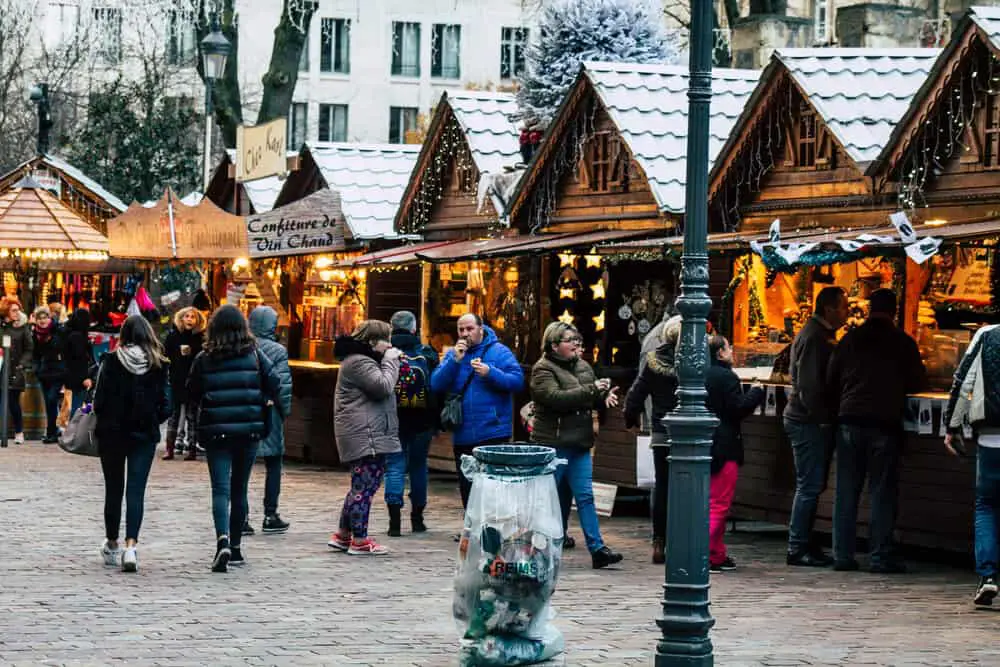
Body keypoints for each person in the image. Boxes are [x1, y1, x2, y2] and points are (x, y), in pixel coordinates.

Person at [827, 288, 926, 573]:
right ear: (895, 311)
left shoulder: (849, 340)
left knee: (846, 491)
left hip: (848, 420)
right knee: (882, 492)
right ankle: (880, 556)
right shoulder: (902, 343)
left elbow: (831, 380)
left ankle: (842, 555)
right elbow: (917, 381)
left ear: (869, 309)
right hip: (884, 422)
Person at [187, 305, 280, 572]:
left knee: (220, 489)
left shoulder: (205, 357)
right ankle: (237, 548)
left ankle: (222, 540)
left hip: (217, 432)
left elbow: (191, 393)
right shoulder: (256, 355)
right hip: (249, 430)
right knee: (239, 488)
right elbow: (275, 383)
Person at [530, 321, 623, 569]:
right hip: (554, 443)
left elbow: (589, 396)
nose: (575, 345)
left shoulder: (583, 366)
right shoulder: (543, 369)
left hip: (579, 443)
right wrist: (592, 390)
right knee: (551, 498)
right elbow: (555, 399)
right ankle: (545, 545)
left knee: (585, 496)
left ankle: (597, 548)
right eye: (569, 340)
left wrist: (604, 396)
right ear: (554, 344)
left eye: (577, 341)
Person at [93, 316, 171, 573]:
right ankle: (131, 546)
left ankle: (112, 541)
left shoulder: (111, 361)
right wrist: (150, 419)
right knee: (136, 491)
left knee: (113, 489)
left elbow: (99, 401)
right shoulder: (159, 365)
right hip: (143, 435)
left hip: (112, 433)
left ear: (124, 335)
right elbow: (166, 405)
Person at [430, 313, 524, 511]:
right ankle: (471, 529)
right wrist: (454, 361)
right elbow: (436, 384)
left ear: (481, 329)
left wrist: (491, 373)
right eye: (461, 329)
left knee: (492, 484)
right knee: (467, 484)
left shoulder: (499, 352)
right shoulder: (453, 354)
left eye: (469, 329)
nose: (465, 334)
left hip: (492, 430)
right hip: (463, 430)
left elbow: (517, 382)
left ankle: (491, 528)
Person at [783, 286, 848, 567]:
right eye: (844, 306)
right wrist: (821, 418)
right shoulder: (815, 338)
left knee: (812, 484)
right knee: (809, 485)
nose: (847, 311)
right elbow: (809, 385)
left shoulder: (816, 335)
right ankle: (797, 547)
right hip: (808, 421)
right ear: (830, 309)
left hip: (807, 419)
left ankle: (804, 543)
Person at [327, 320, 401, 556]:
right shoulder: (359, 362)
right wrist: (391, 361)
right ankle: (360, 540)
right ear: (372, 341)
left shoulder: (359, 360)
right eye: (386, 340)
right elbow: (383, 386)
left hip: (366, 432)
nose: (390, 345)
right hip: (365, 434)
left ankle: (343, 535)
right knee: (364, 488)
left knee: (360, 486)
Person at [943, 323, 1000, 606]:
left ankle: (988, 576)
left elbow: (963, 380)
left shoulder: (987, 334)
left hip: (991, 435)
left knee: (987, 505)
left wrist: (951, 426)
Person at [704, 335, 765, 572]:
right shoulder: (726, 376)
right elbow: (737, 408)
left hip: (709, 443)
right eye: (728, 347)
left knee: (712, 501)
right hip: (725, 444)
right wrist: (756, 392)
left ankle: (717, 553)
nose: (731, 351)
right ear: (720, 352)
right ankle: (706, 551)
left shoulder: (703, 374)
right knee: (720, 503)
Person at [624, 319, 682, 564]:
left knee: (663, 486)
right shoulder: (695, 362)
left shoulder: (653, 362)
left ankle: (659, 540)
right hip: (689, 433)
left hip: (662, 431)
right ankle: (683, 539)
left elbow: (636, 394)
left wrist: (631, 418)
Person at [384, 310, 439, 536]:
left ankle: (394, 522)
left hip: (392, 419)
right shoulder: (426, 354)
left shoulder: (385, 353)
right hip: (421, 419)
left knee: (394, 467)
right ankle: (417, 518)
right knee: (418, 467)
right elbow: (436, 386)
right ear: (414, 329)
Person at [246, 306, 293, 535]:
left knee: (241, 466)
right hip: (269, 412)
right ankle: (270, 514)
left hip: (245, 411)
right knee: (273, 463)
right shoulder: (277, 350)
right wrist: (284, 412)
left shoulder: (241, 346)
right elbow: (282, 386)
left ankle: (241, 517)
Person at [163, 307, 206, 461]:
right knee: (173, 415)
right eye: (186, 316)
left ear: (197, 321)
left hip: (193, 382)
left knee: (192, 416)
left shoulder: (201, 339)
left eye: (192, 317)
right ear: (181, 319)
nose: (189, 319)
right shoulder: (173, 337)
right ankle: (169, 448)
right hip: (176, 380)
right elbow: (165, 355)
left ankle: (192, 448)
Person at [0, 298, 33, 445]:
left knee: (13, 401)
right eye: (13, 310)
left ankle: (19, 432)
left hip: (15, 369)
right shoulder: (2, 327)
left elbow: (29, 348)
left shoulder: (23, 328)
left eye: (18, 309)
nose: (16, 312)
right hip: (1, 366)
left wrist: (22, 364)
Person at [32, 306, 66, 444]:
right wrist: (37, 368)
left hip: (58, 371)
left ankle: (52, 431)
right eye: (39, 318)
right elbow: (35, 354)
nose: (42, 321)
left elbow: (65, 348)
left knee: (52, 399)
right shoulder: (36, 334)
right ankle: (53, 430)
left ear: (49, 317)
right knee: (48, 403)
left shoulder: (58, 330)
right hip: (44, 372)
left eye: (44, 317)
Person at [65, 308, 95, 417]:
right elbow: (80, 359)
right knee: (77, 407)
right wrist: (85, 377)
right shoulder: (78, 337)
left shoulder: (71, 334)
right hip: (79, 377)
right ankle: (74, 431)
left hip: (73, 375)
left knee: (76, 405)